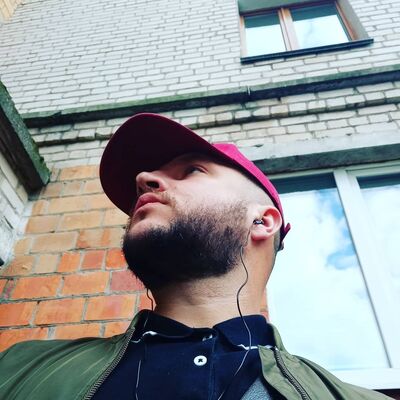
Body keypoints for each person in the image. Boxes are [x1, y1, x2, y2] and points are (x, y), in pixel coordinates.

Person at [0, 113, 391, 400]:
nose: (144, 180)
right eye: (145, 181)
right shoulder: (18, 369)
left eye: (191, 170)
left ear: (262, 221)